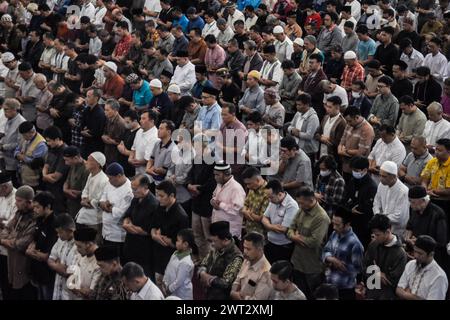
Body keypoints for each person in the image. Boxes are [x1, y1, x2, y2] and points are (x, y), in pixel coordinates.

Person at [287, 187, 330, 300]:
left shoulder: (321, 217)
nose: (299, 205)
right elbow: (290, 228)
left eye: (301, 202)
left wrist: (295, 237)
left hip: (312, 267)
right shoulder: (302, 209)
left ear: (311, 200)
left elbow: (314, 242)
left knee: (312, 296)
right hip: (297, 262)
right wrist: (294, 236)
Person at [151, 180, 189, 287]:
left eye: (162, 196)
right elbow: (153, 226)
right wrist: (154, 235)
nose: (158, 199)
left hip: (171, 259)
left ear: (171, 195)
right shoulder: (161, 206)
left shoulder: (181, 217)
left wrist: (167, 240)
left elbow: (183, 246)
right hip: (158, 254)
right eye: (158, 195)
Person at [362, 214, 408, 300]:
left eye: (378, 235)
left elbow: (394, 282)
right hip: (371, 294)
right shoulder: (373, 245)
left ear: (387, 232)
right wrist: (376, 273)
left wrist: (374, 271)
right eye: (374, 234)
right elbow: (365, 267)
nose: (375, 237)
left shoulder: (400, 254)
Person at [322, 208, 364, 300]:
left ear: (347, 224)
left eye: (338, 225)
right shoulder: (334, 234)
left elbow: (358, 269)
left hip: (344, 288)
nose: (334, 227)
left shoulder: (355, 244)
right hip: (329, 283)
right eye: (333, 223)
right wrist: (332, 259)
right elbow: (325, 251)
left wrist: (342, 266)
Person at [122, 175, 158, 277]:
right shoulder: (136, 199)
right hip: (130, 245)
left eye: (135, 188)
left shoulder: (153, 205)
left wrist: (129, 227)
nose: (132, 191)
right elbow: (127, 215)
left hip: (144, 250)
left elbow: (148, 230)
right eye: (132, 188)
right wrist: (126, 222)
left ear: (145, 187)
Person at [197, 221, 244, 300]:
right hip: (209, 293)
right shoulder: (216, 248)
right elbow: (204, 263)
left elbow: (226, 283)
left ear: (225, 240)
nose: (212, 244)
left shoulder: (236, 257)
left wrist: (210, 279)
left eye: (214, 241)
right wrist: (202, 273)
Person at [25, 192, 58, 300]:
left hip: (47, 275)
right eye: (34, 207)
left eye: (37, 207)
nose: (34, 210)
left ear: (48, 206)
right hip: (37, 271)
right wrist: (33, 250)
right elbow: (33, 242)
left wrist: (31, 252)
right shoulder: (39, 219)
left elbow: (45, 256)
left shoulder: (54, 225)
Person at [405, 186, 448, 265]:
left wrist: (420, 242)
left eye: (413, 202)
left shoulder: (438, 214)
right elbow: (409, 227)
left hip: (432, 257)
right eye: (410, 201)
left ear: (423, 200)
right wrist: (408, 239)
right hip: (416, 252)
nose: (411, 205)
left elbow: (441, 242)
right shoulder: (415, 209)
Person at [396, 235, 448, 300]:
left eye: (420, 253)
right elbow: (398, 290)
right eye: (415, 251)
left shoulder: (439, 277)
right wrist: (416, 297)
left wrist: (406, 293)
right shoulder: (411, 264)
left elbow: (402, 292)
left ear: (431, 254)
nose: (416, 256)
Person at [344, 156, 378, 248]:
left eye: (356, 170)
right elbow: (345, 198)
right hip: (351, 219)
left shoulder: (371, 186)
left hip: (363, 224)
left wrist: (357, 207)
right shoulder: (352, 181)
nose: (354, 172)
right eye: (353, 170)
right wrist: (350, 208)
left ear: (365, 170)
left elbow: (368, 206)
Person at [261, 179, 298, 264]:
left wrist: (268, 225)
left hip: (283, 246)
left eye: (271, 197)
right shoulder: (274, 201)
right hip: (270, 243)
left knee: (279, 274)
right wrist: (271, 226)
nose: (269, 200)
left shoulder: (291, 205)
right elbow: (264, 218)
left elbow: (283, 229)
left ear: (280, 194)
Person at [99, 163, 133, 252]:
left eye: (110, 178)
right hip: (105, 231)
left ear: (119, 176)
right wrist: (103, 204)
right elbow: (103, 196)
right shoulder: (109, 183)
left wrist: (109, 209)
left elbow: (122, 212)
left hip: (117, 234)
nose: (109, 181)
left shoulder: (129, 190)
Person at [230, 232, 272, 300]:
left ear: (259, 249)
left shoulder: (266, 273)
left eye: (248, 249)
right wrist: (233, 292)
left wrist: (239, 297)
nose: (245, 252)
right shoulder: (247, 260)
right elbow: (237, 281)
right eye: (244, 248)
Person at [373, 161, 410, 236]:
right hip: (382, 228)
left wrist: (380, 218)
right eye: (380, 175)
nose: (380, 179)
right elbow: (376, 203)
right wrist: (377, 215)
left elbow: (399, 217)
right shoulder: (381, 185)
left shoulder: (403, 191)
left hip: (396, 231)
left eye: (384, 176)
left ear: (394, 176)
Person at [338, 106, 375, 182]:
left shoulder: (367, 129)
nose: (348, 123)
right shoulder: (349, 125)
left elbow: (361, 152)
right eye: (347, 121)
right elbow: (342, 140)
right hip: (346, 166)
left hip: (357, 170)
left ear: (357, 117)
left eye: (350, 121)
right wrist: (340, 149)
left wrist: (345, 151)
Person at [48, 213, 79, 300]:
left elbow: (70, 273)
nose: (58, 235)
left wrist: (56, 264)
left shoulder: (78, 247)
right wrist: (59, 267)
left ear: (70, 230)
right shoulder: (60, 240)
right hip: (58, 289)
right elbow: (50, 259)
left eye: (60, 232)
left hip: (70, 294)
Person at [211, 162, 246, 240]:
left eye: (217, 175)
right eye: (214, 174)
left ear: (226, 174)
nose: (215, 177)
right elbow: (214, 196)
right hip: (218, 228)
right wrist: (213, 202)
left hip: (230, 232)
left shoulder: (236, 188)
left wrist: (220, 205)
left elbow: (237, 209)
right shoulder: (219, 184)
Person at [69, 227, 102, 300]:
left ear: (89, 244)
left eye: (79, 246)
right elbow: (70, 279)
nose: (77, 249)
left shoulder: (100, 263)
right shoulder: (81, 254)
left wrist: (74, 287)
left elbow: (91, 294)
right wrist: (80, 289)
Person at [162, 228, 195, 299]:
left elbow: (179, 281)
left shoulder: (186, 262)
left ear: (185, 244)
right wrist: (165, 281)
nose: (176, 242)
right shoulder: (175, 253)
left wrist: (169, 289)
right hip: (171, 290)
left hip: (182, 294)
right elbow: (169, 268)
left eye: (178, 240)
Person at [42, 126, 69, 213]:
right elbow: (46, 165)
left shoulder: (65, 152)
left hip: (59, 191)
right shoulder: (52, 148)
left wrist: (44, 176)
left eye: (49, 141)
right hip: (49, 188)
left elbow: (56, 177)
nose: (47, 143)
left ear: (57, 139)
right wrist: (45, 176)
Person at [0, 98, 26, 187]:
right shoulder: (9, 119)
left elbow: (20, 144)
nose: (4, 112)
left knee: (14, 183)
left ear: (14, 109)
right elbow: (7, 135)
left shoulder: (21, 123)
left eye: (6, 110)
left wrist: (4, 147)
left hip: (14, 159)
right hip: (6, 157)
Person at [14, 121, 47, 188]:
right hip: (22, 175)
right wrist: (17, 154)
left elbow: (35, 163)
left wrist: (23, 158)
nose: (23, 137)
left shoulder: (41, 144)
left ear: (31, 133)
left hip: (33, 179)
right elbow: (17, 149)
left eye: (24, 135)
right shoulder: (25, 138)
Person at [287, 93, 320, 161]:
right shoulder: (298, 113)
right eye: (297, 104)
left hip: (308, 152)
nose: (297, 106)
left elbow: (309, 136)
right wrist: (292, 130)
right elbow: (290, 126)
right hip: (296, 148)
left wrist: (297, 133)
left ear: (307, 105)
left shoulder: (313, 118)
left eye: (299, 105)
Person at [420, 138, 450, 208]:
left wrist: (432, 191)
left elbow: (448, 191)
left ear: (448, 151)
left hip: (445, 202)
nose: (436, 152)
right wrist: (425, 190)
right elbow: (424, 180)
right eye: (436, 149)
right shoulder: (432, 161)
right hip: (429, 197)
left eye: (440, 150)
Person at [316, 96, 347, 161]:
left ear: (337, 107)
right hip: (321, 152)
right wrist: (322, 138)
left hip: (333, 156)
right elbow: (317, 133)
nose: (327, 109)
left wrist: (327, 139)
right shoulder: (325, 117)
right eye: (327, 106)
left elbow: (339, 142)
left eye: (330, 107)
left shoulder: (342, 122)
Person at [129, 110, 159, 175]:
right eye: (140, 118)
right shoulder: (139, 131)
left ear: (152, 121)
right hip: (136, 170)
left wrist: (135, 162)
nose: (140, 121)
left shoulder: (155, 136)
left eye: (143, 118)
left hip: (147, 174)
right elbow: (133, 148)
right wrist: (130, 158)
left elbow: (148, 159)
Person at [80, 88, 107, 157]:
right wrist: (83, 131)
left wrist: (87, 131)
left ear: (96, 98)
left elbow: (97, 132)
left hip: (95, 145)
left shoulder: (100, 113)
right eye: (86, 96)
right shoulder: (86, 110)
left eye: (89, 97)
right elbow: (82, 125)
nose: (86, 99)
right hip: (85, 142)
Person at [102, 99, 126, 165]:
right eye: (105, 109)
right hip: (108, 152)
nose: (105, 112)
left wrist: (108, 139)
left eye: (107, 110)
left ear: (115, 110)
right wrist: (107, 139)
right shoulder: (109, 118)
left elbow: (118, 142)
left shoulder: (120, 123)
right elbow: (104, 134)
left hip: (115, 156)